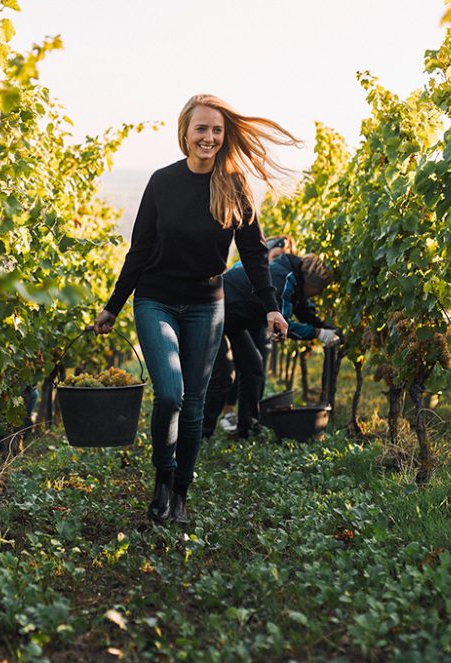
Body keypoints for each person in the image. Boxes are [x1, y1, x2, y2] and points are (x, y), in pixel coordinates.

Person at [93, 94, 300, 524]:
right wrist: (113, 307)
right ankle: (162, 479)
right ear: (185, 132)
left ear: (224, 138)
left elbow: (255, 253)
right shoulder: (161, 182)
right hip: (155, 299)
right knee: (169, 392)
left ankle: (181, 493)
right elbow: (140, 250)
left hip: (207, 303)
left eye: (216, 130)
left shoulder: (235, 186)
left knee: (193, 403)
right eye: (201, 129)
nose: (209, 137)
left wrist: (272, 308)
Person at [203, 252, 340, 439]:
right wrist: (317, 333)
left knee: (253, 368)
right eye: (319, 289)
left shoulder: (295, 280)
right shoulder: (282, 278)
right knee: (224, 375)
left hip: (234, 319)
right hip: (214, 310)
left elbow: (303, 310)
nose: (319, 293)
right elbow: (281, 324)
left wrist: (326, 328)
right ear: (310, 283)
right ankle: (201, 433)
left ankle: (247, 430)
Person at [217, 234, 296, 433]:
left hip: (257, 322)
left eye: (281, 257)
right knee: (229, 369)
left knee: (254, 365)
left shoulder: (279, 278)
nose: (277, 260)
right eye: (275, 255)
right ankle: (226, 412)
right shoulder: (244, 268)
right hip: (232, 316)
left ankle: (249, 420)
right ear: (267, 253)